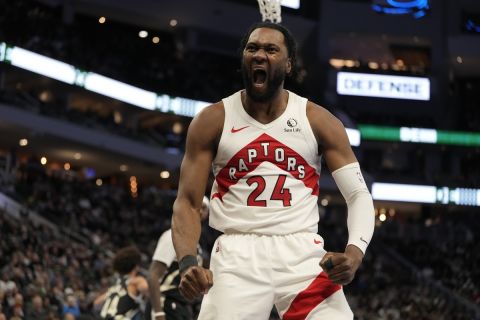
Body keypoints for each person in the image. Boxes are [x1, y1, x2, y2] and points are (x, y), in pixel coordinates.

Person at [171, 21, 375, 320]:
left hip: (302, 253)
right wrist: (188, 262)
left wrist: (355, 252)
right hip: (237, 254)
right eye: (252, 48)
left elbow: (358, 194)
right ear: (243, 58)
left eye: (271, 49)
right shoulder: (212, 120)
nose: (259, 54)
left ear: (289, 64)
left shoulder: (318, 120)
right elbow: (187, 202)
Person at [147, 196, 209, 320]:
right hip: (166, 304)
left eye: (204, 208)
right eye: (197, 206)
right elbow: (153, 275)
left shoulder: (196, 244)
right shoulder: (172, 236)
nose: (200, 211)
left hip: (182, 306)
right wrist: (158, 313)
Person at [94, 245, 149, 319]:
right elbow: (153, 291)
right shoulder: (136, 281)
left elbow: (96, 303)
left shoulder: (114, 287)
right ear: (136, 267)